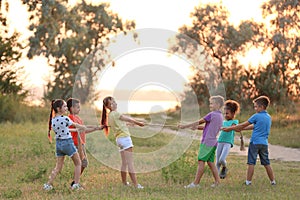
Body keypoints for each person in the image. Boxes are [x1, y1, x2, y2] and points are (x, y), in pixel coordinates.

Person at [222, 96, 276, 186]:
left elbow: (243, 124)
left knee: (251, 162)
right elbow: (253, 127)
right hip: (264, 144)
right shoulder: (268, 117)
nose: (255, 109)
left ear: (261, 107)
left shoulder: (256, 116)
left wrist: (230, 128)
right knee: (267, 163)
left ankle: (248, 182)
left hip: (255, 143)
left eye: (256, 107)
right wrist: (238, 129)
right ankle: (273, 181)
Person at [179, 95, 224, 188]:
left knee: (201, 161)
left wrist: (184, 126)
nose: (210, 105)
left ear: (218, 104)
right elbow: (206, 127)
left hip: (207, 142)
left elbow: (199, 121)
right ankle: (217, 182)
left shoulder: (211, 114)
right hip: (213, 142)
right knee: (211, 163)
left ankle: (196, 183)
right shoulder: (220, 116)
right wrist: (196, 127)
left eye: (212, 103)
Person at [101, 96, 145, 189]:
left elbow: (121, 123)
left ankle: (125, 183)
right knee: (130, 163)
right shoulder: (116, 113)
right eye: (112, 103)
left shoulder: (110, 116)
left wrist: (131, 124)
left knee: (124, 163)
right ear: (108, 107)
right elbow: (128, 119)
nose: (115, 103)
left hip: (119, 140)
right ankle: (136, 185)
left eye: (114, 101)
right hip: (125, 139)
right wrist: (139, 123)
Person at [43, 99, 87, 191]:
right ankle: (76, 185)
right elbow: (75, 125)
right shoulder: (65, 118)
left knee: (58, 167)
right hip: (67, 143)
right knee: (78, 163)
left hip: (59, 145)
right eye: (65, 106)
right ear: (59, 109)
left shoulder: (53, 120)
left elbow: (65, 130)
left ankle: (48, 184)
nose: (67, 108)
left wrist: (76, 130)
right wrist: (83, 127)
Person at [66, 98, 105, 186]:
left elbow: (84, 130)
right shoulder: (70, 119)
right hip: (76, 144)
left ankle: (75, 181)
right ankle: (75, 183)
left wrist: (96, 128)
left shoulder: (78, 118)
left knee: (83, 163)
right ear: (71, 108)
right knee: (82, 163)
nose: (79, 109)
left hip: (81, 144)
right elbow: (75, 130)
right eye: (77, 107)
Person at [216, 100, 241, 179]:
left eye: (227, 113)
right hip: (220, 141)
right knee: (217, 162)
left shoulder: (235, 122)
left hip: (228, 142)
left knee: (222, 159)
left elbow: (233, 128)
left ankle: (225, 167)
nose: (225, 115)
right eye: (224, 113)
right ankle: (216, 179)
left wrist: (226, 128)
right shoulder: (223, 122)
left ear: (233, 114)